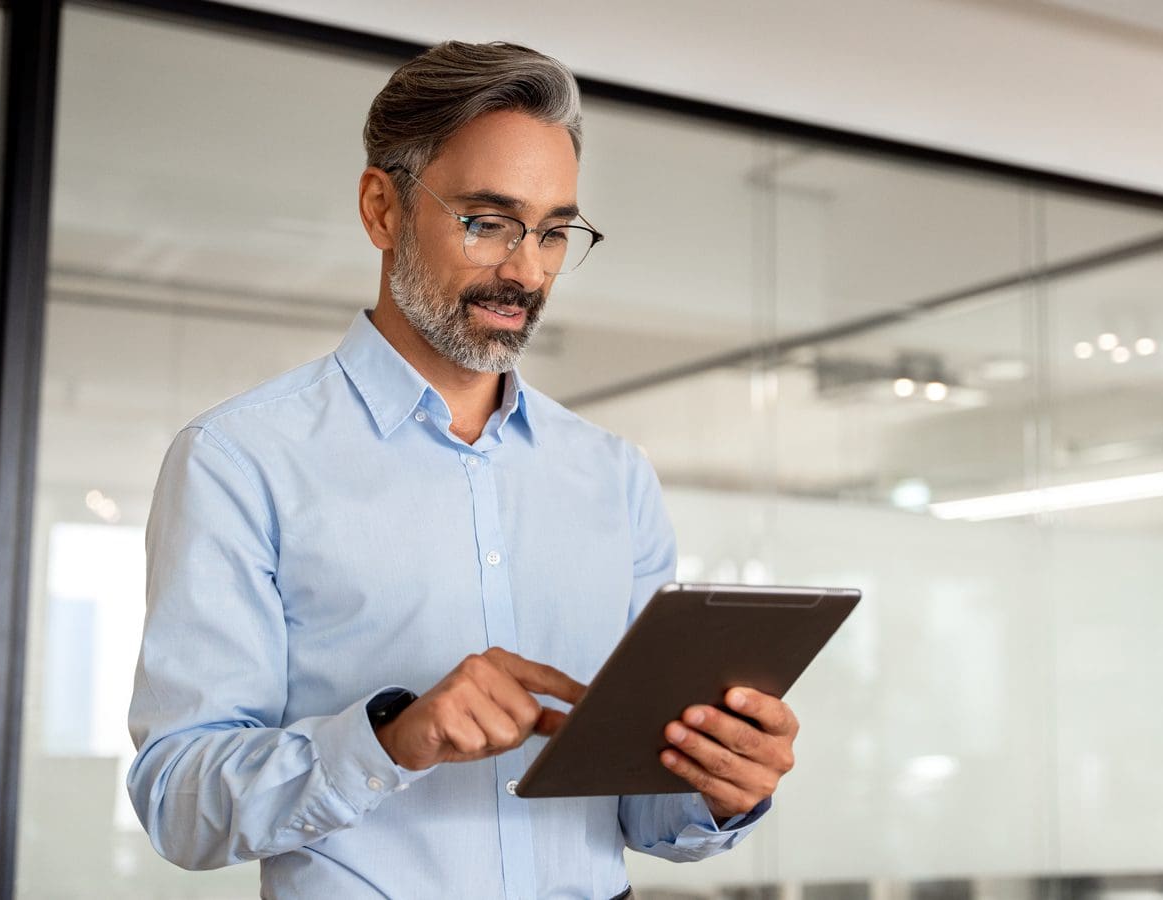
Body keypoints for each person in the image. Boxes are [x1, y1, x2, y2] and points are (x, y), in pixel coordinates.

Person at [127, 41, 799, 899]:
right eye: (488, 222)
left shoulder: (613, 477)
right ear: (382, 209)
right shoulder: (241, 460)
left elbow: (641, 812)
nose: (526, 270)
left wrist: (717, 785)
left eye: (555, 231)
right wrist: (391, 740)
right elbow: (178, 801)